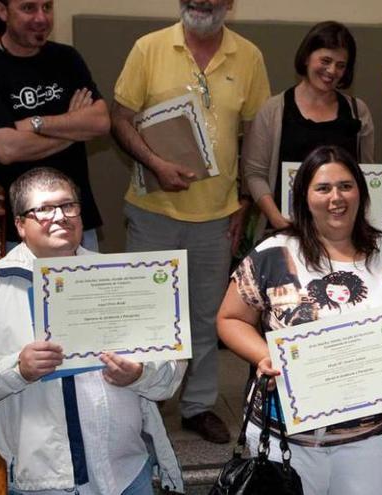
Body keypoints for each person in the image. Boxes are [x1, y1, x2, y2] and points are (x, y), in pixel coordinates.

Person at [0, 167, 186, 494]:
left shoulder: (122, 278)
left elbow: (171, 372)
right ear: (20, 225)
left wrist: (140, 374)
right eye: (43, 209)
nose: (60, 216)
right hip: (44, 483)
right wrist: (17, 369)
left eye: (69, 206)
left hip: (129, 472)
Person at [217, 145, 382, 495]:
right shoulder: (274, 253)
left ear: (361, 193)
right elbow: (230, 319)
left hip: (368, 437)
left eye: (346, 186)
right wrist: (264, 355)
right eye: (323, 188)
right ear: (304, 197)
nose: (336, 197)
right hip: (284, 435)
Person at [110, 0, 270, 444]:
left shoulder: (249, 56)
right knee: (148, 316)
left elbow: (254, 137)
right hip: (153, 211)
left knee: (205, 316)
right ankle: (144, 405)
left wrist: (243, 202)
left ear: (230, 4)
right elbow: (120, 120)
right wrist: (156, 162)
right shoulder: (149, 48)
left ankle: (198, 405)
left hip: (216, 217)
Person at [0, 0, 109, 252]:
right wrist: (74, 128)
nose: (41, 18)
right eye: (29, 8)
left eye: (47, 7)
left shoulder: (67, 58)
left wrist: (34, 123)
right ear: (1, 11)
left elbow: (101, 122)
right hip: (14, 231)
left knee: (83, 292)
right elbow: (6, 149)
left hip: (76, 225)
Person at [242, 20, 374, 235]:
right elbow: (255, 174)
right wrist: (277, 220)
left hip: (341, 235)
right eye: (325, 60)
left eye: (341, 65)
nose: (332, 71)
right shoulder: (274, 110)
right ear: (306, 58)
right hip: (284, 232)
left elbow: (365, 173)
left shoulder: (358, 112)